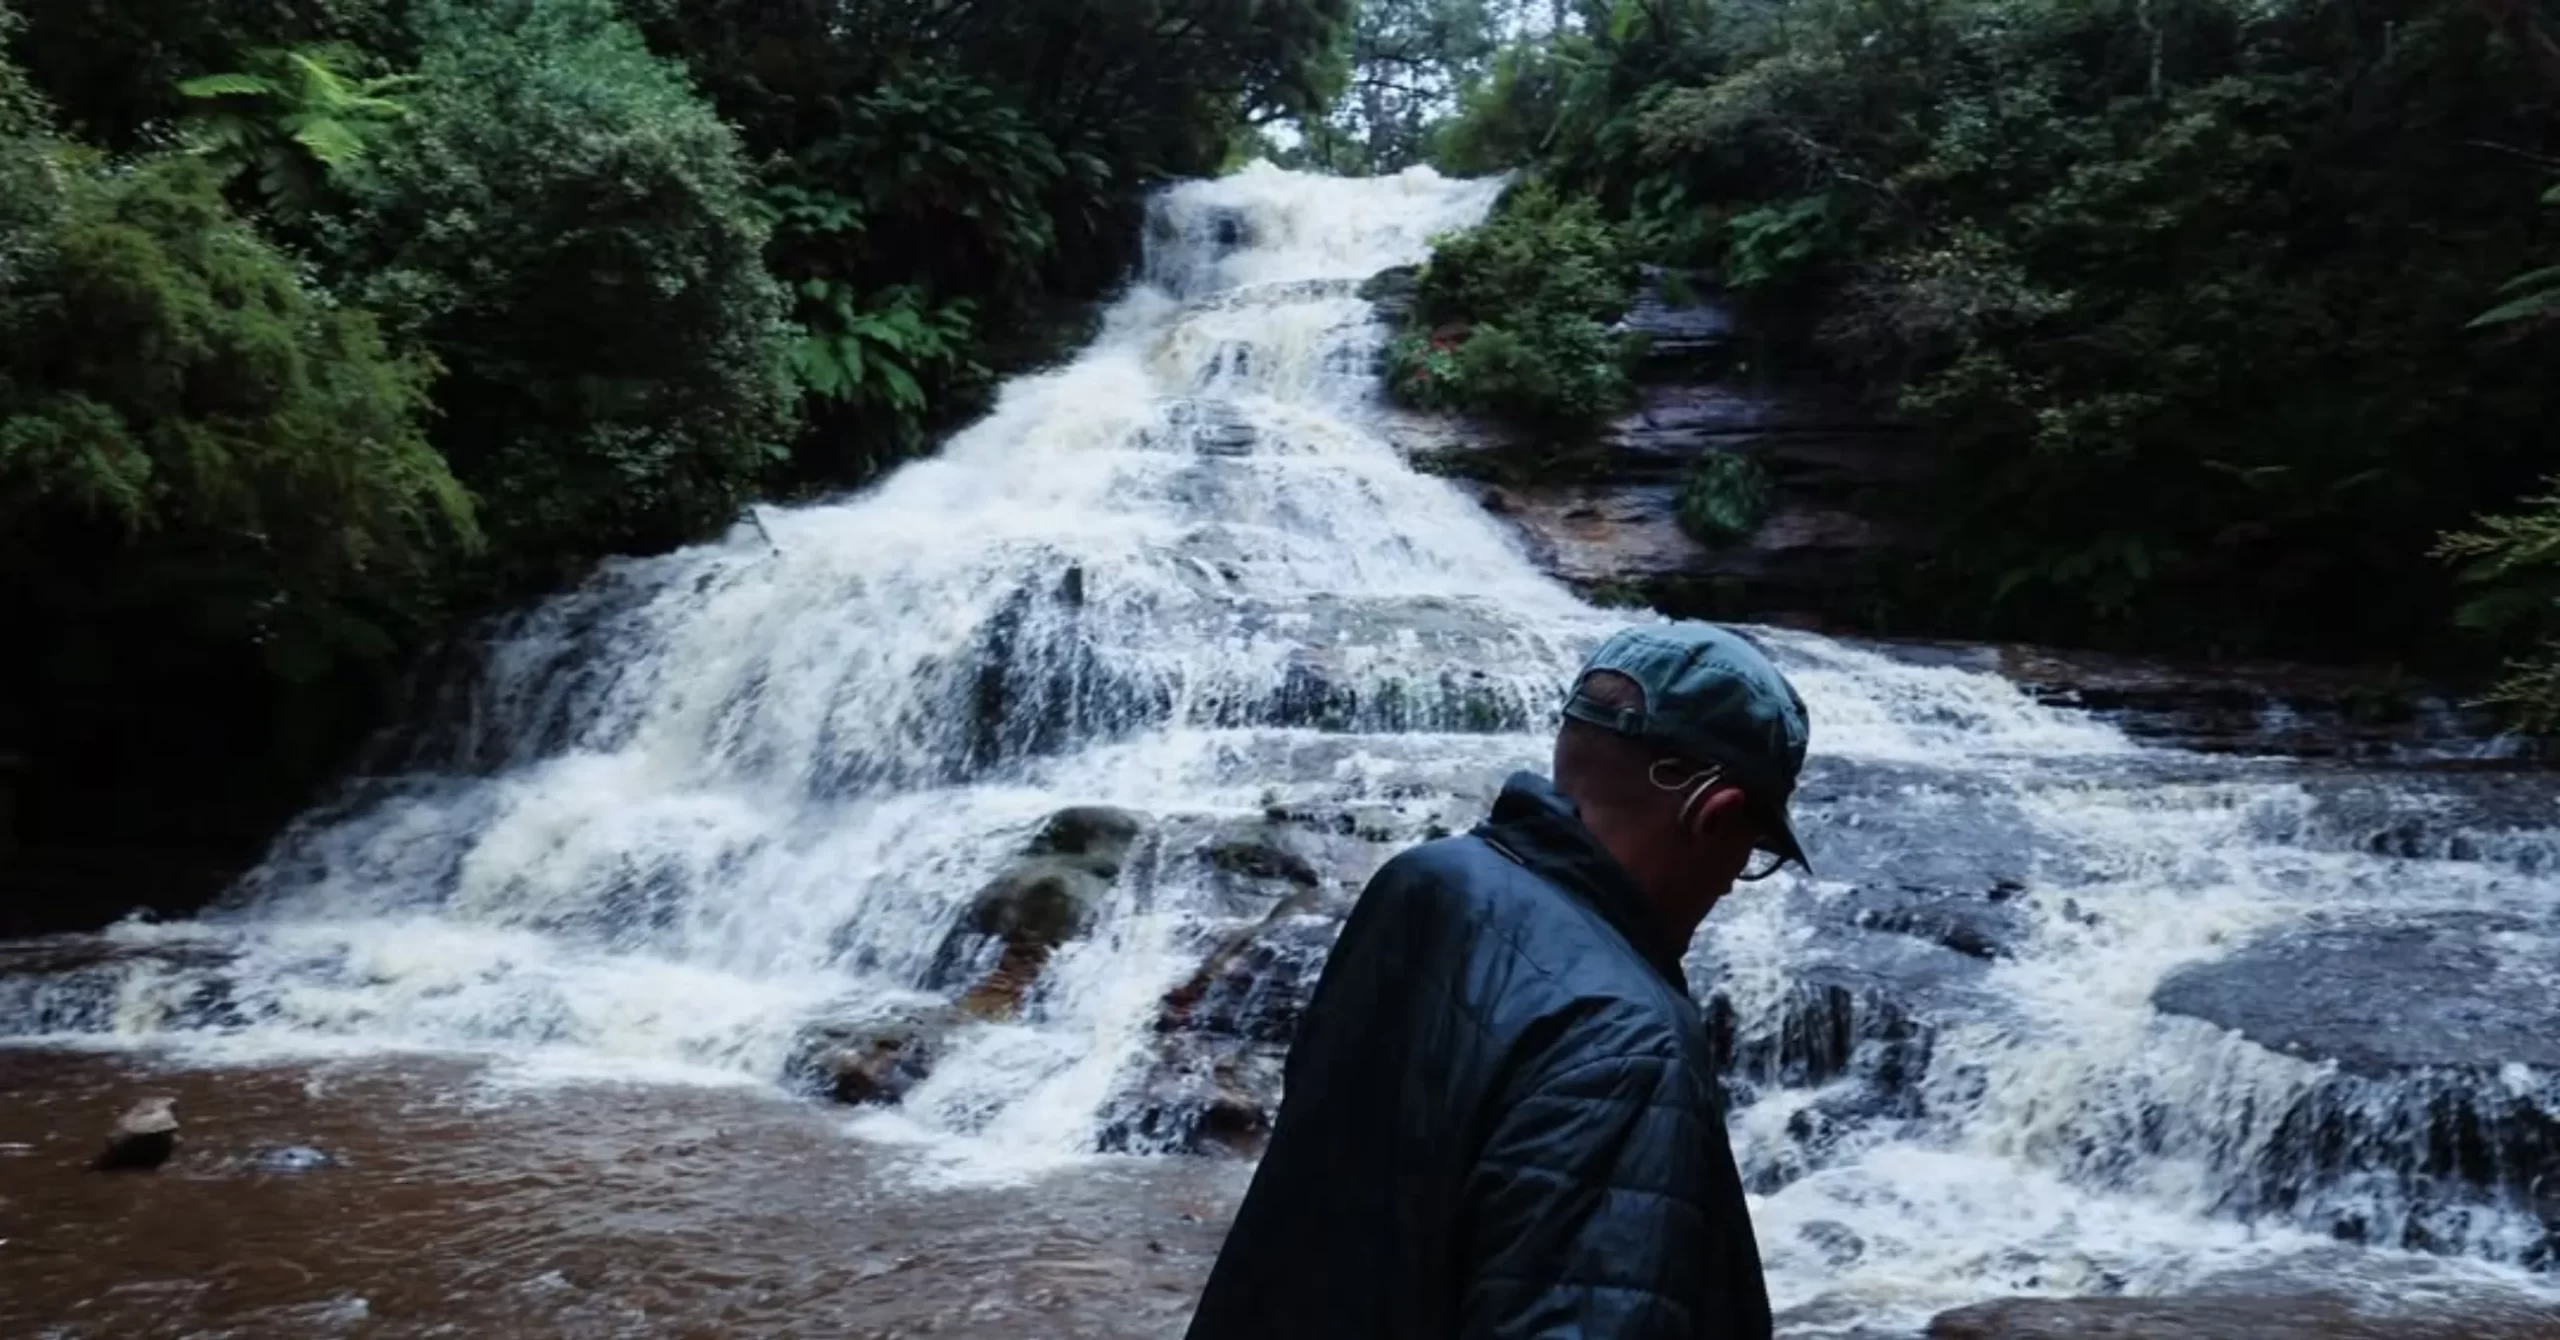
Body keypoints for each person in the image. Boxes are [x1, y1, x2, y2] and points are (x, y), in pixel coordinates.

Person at [1183, 620, 1811, 1340]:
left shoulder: (1422, 886)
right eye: (1754, 850)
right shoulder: (1629, 1037)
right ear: (1715, 813)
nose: (1734, 883)